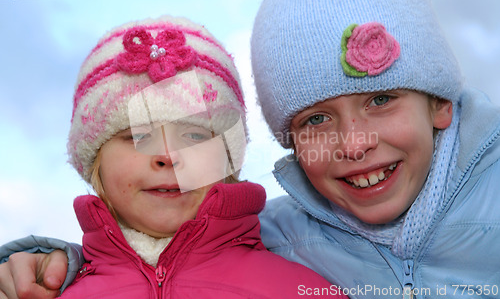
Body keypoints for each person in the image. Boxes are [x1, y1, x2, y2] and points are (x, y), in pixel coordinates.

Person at [2, 0, 500, 298]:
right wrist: (60, 262)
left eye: (381, 99)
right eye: (316, 119)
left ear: (439, 102)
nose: (354, 143)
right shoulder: (278, 234)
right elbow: (168, 249)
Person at [0, 15, 343, 299]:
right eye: (138, 136)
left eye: (194, 135)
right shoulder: (42, 291)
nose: (166, 156)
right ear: (94, 162)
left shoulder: (303, 290)